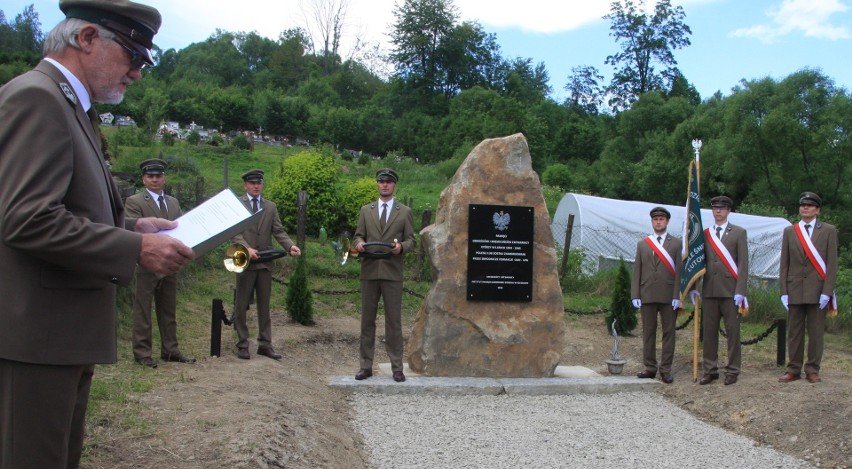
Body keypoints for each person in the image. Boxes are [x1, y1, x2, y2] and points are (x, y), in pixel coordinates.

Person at [0, 1, 194, 467]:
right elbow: (26, 218)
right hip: (35, 341)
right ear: (87, 38)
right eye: (133, 55)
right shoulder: (37, 97)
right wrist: (135, 247)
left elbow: (64, 210)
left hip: (58, 337)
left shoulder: (69, 105)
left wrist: (132, 226)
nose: (137, 74)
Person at [125, 159, 196, 368]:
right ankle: (142, 353)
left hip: (170, 263)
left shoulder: (173, 202)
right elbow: (134, 231)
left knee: (168, 309)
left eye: (158, 176)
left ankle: (171, 350)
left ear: (164, 178)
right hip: (146, 264)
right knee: (143, 310)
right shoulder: (135, 201)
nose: (154, 180)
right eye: (150, 176)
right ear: (143, 179)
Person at [353, 168, 416, 383]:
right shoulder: (366, 210)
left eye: (388, 182)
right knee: (367, 320)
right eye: (381, 181)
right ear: (377, 184)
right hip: (370, 270)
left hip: (392, 271)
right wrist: (359, 244)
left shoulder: (404, 211)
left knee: (394, 322)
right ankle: (365, 366)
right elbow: (358, 235)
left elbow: (411, 240)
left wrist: (401, 247)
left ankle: (397, 367)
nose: (385, 185)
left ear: (394, 185)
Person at [231, 169, 301, 360]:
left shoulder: (270, 206)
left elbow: (278, 231)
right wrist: (247, 248)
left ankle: (265, 344)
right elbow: (234, 232)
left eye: (259, 183)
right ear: (245, 185)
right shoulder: (237, 204)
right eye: (252, 183)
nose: (255, 186)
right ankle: (243, 343)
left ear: (262, 185)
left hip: (265, 262)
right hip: (244, 260)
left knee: (264, 305)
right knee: (241, 304)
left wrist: (290, 246)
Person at [778, 192, 838, 384]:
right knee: (794, 332)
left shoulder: (828, 231)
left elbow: (831, 264)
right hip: (794, 289)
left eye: (810, 205)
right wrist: (784, 291)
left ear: (817, 210)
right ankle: (793, 369)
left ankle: (812, 369)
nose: (806, 208)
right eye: (803, 205)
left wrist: (827, 292)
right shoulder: (790, 231)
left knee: (815, 332)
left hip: (817, 290)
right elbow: (784, 264)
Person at [694, 195, 749, 386]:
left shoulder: (739, 233)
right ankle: (710, 370)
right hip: (709, 289)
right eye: (715, 208)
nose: (718, 211)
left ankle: (733, 370)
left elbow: (743, 264)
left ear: (729, 211)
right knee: (709, 334)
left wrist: (741, 290)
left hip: (731, 290)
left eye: (722, 208)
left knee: (733, 333)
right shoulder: (706, 234)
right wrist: (695, 286)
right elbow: (698, 262)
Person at [631, 207, 682, 384]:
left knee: (669, 333)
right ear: (652, 222)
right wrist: (635, 294)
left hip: (669, 295)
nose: (658, 222)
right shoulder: (643, 244)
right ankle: (650, 367)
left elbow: (679, 272)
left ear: (667, 222)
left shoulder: (676, 244)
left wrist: (678, 295)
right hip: (647, 294)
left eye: (661, 219)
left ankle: (665, 369)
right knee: (648, 332)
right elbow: (637, 270)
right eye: (655, 219)